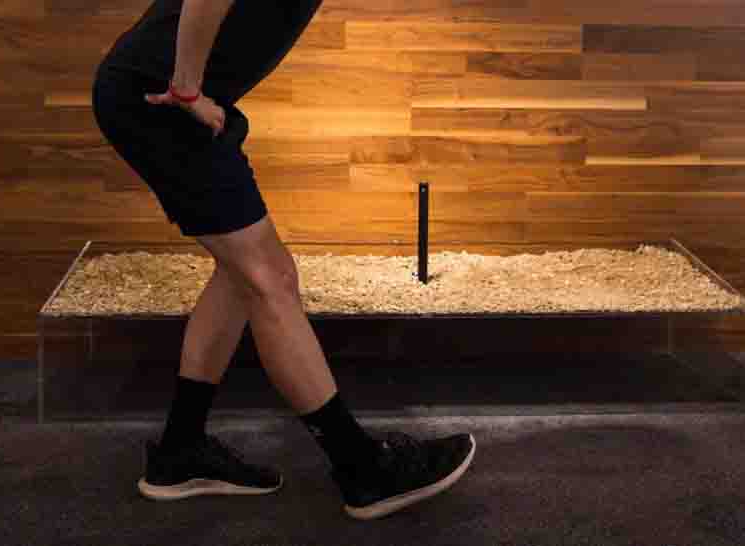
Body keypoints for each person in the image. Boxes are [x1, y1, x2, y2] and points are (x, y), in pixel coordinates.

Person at [91, 0, 475, 520]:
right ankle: (362, 469)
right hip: (160, 103)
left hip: (160, 97)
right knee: (270, 277)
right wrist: (186, 89)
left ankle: (181, 450)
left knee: (243, 275)